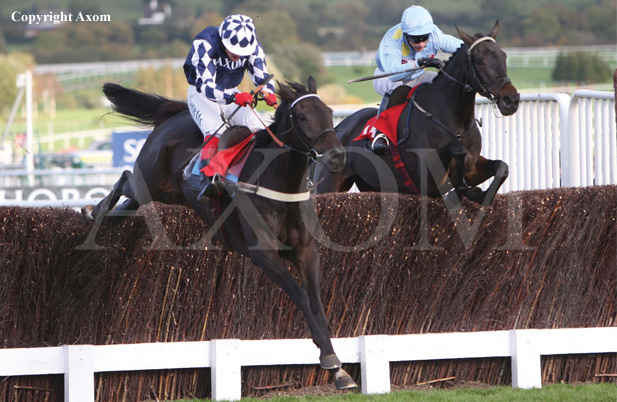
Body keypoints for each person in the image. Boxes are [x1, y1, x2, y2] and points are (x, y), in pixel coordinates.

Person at [183, 14, 277, 203]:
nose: (238, 56)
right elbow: (205, 85)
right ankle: (203, 178)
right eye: (234, 51)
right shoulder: (205, 42)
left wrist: (268, 92)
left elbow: (262, 76)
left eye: (242, 53)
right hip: (200, 92)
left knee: (259, 127)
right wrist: (234, 97)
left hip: (230, 91)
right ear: (223, 39)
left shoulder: (253, 47)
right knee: (216, 129)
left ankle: (246, 175)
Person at [370, 5, 463, 154]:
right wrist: (420, 63)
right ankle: (380, 133)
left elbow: (462, 47)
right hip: (386, 77)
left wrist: (479, 45)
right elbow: (393, 74)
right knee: (398, 88)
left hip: (417, 76)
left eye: (424, 38)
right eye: (415, 39)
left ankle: (453, 124)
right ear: (406, 35)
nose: (421, 44)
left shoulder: (435, 34)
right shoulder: (392, 40)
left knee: (442, 82)